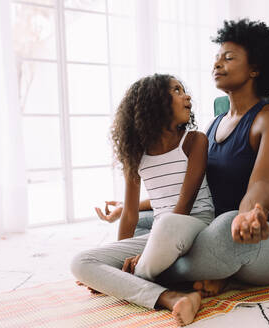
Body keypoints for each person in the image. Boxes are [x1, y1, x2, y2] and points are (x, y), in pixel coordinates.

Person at [73, 18, 269, 326]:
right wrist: (128, 208)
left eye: (229, 57)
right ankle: (190, 278)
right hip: (206, 233)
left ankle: (131, 276)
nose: (218, 63)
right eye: (217, 57)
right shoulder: (213, 125)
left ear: (255, 68)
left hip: (264, 239)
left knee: (223, 226)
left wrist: (249, 215)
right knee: (136, 231)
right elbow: (191, 190)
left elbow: (263, 183)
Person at [73, 73, 214, 326]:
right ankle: (172, 298)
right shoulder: (136, 153)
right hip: (161, 233)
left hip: (194, 223)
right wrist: (119, 258)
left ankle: (122, 282)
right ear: (155, 102)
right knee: (80, 262)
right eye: (177, 91)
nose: (187, 96)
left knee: (167, 224)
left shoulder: (195, 140)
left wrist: (120, 270)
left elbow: (184, 205)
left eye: (184, 90)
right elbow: (129, 215)